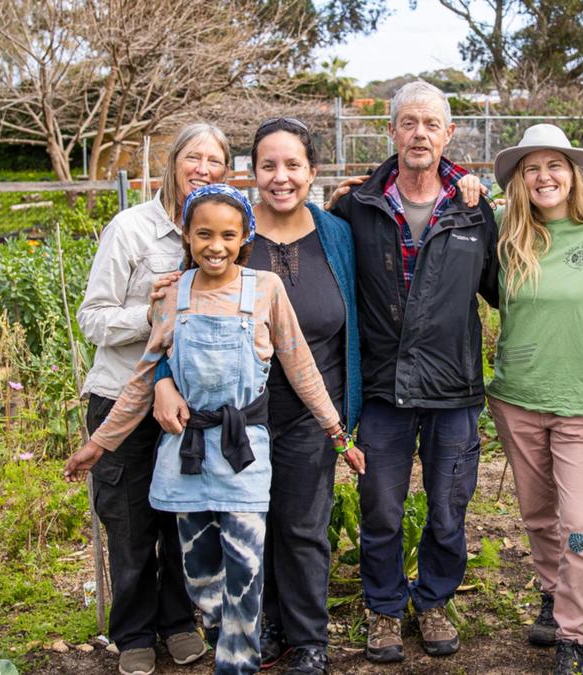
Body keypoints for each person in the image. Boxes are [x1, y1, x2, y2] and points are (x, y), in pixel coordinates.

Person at [65, 184, 365, 675]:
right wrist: (99, 444)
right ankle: (225, 629)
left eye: (228, 234)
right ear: (186, 234)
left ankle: (237, 663)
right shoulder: (172, 296)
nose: (216, 245)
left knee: (245, 573)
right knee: (202, 577)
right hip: (187, 454)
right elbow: (143, 380)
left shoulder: (264, 288)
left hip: (244, 451)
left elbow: (301, 366)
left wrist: (338, 433)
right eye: (204, 233)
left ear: (246, 236)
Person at [151, 117, 361, 675]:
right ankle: (258, 627)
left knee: (303, 526)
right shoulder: (226, 230)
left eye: (293, 164)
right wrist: (163, 381)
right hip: (241, 416)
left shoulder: (335, 233)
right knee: (245, 528)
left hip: (317, 406)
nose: (281, 176)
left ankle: (308, 636)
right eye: (268, 165)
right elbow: (176, 324)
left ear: (313, 171)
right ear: (251, 173)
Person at [329, 80, 499, 664]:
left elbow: (504, 287)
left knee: (449, 507)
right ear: (392, 132)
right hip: (383, 389)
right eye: (409, 123)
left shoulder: (473, 210)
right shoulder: (356, 207)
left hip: (453, 389)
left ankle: (432, 600)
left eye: (431, 124)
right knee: (380, 505)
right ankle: (382, 608)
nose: (419, 133)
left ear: (449, 134)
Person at [458, 124, 583, 675]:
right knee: (538, 516)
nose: (544, 176)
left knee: (577, 520)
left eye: (555, 165)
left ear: (574, 174)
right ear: (519, 181)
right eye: (532, 169)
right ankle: (552, 594)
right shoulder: (505, 231)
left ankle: (572, 635)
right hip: (517, 397)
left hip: (581, 400)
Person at [74, 122, 230, 675]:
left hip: (188, 405)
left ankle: (177, 622)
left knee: (180, 520)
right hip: (124, 399)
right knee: (131, 525)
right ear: (173, 162)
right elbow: (91, 318)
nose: (203, 169)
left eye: (215, 160)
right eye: (194, 157)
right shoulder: (133, 230)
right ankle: (135, 632)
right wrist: (149, 315)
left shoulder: (220, 231)